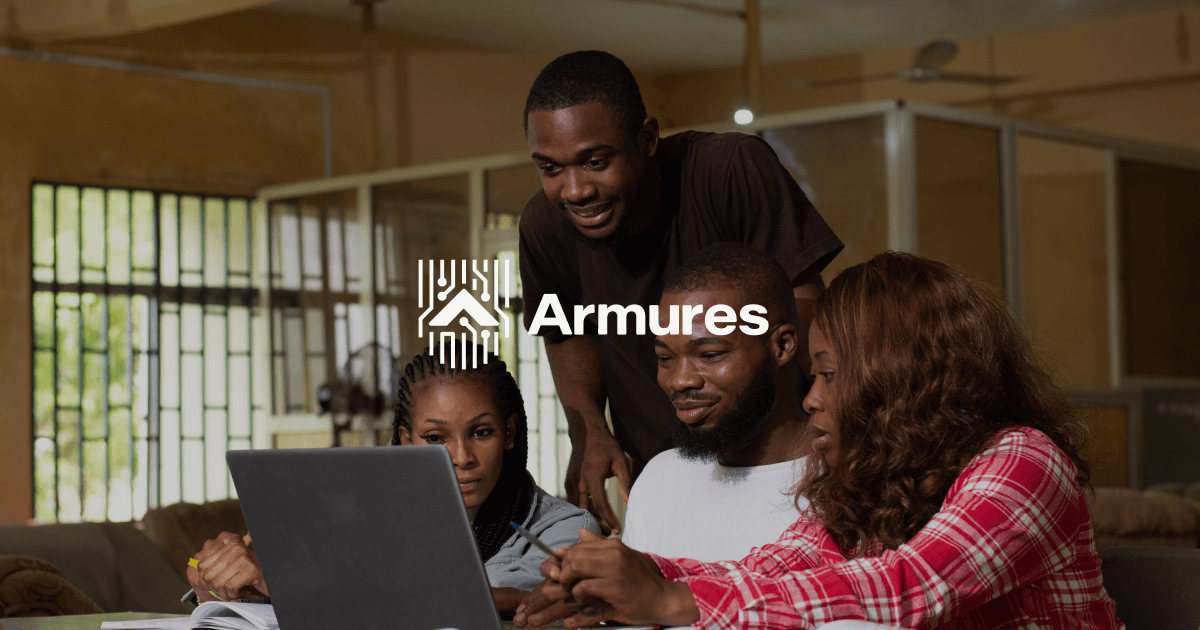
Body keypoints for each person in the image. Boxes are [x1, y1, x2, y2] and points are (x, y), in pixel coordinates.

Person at [515, 252, 1123, 630]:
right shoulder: (876, 478)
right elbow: (766, 569)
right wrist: (629, 575)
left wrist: (671, 601)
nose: (810, 398)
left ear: (896, 377)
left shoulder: (1022, 460)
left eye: (828, 374)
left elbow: (909, 591)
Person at [520, 50, 843, 533]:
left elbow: (804, 305)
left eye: (595, 161)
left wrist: (837, 420)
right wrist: (587, 429)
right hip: (664, 468)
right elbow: (565, 331)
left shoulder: (727, 170)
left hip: (779, 457)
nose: (574, 190)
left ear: (647, 138)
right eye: (550, 169)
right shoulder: (545, 227)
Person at [186, 342, 600, 617]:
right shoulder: (364, 519)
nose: (462, 458)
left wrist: (296, 584)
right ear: (407, 440)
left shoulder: (567, 530)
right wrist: (219, 581)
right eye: (435, 438)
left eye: (481, 432)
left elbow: (489, 603)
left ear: (509, 432)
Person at [622, 243, 812, 563]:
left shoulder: (847, 486)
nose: (679, 381)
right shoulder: (659, 481)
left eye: (710, 355)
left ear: (781, 346)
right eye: (665, 358)